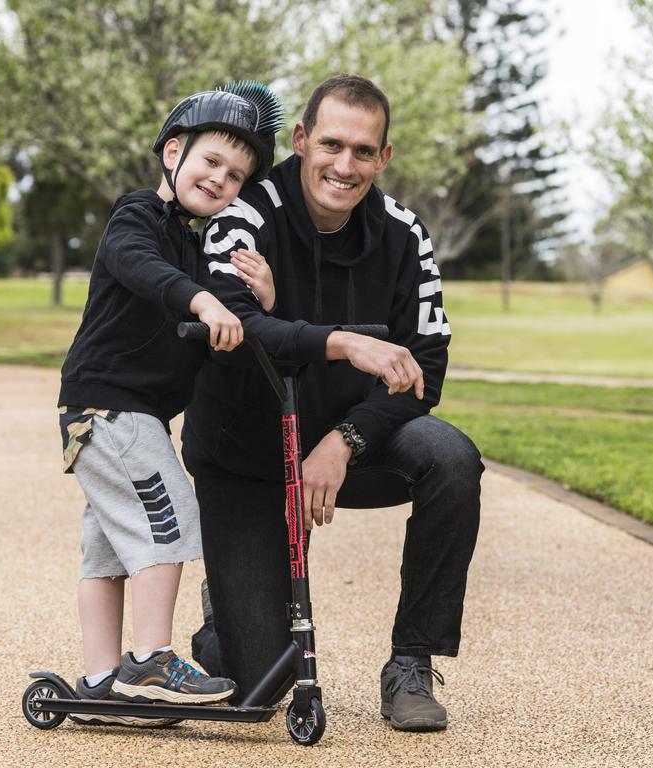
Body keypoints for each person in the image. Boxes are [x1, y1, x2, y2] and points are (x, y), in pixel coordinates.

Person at [182, 74, 483, 732]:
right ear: (300, 139)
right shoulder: (245, 209)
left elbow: (425, 366)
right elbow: (227, 325)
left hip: (351, 446)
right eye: (331, 144)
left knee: (451, 458)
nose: (345, 166)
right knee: (259, 688)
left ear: (385, 156)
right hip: (248, 451)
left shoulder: (406, 233)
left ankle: (411, 660)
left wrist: (344, 439)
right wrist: (343, 343)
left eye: (364, 151)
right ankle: (227, 615)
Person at [56, 81, 283, 724]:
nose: (220, 180)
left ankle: (99, 680)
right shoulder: (137, 216)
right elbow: (137, 265)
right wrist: (201, 298)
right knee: (172, 516)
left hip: (110, 417)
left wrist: (261, 299)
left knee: (107, 549)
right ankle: (151, 657)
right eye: (211, 161)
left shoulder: (198, 247)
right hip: (112, 409)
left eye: (236, 176)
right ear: (173, 152)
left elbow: (220, 339)